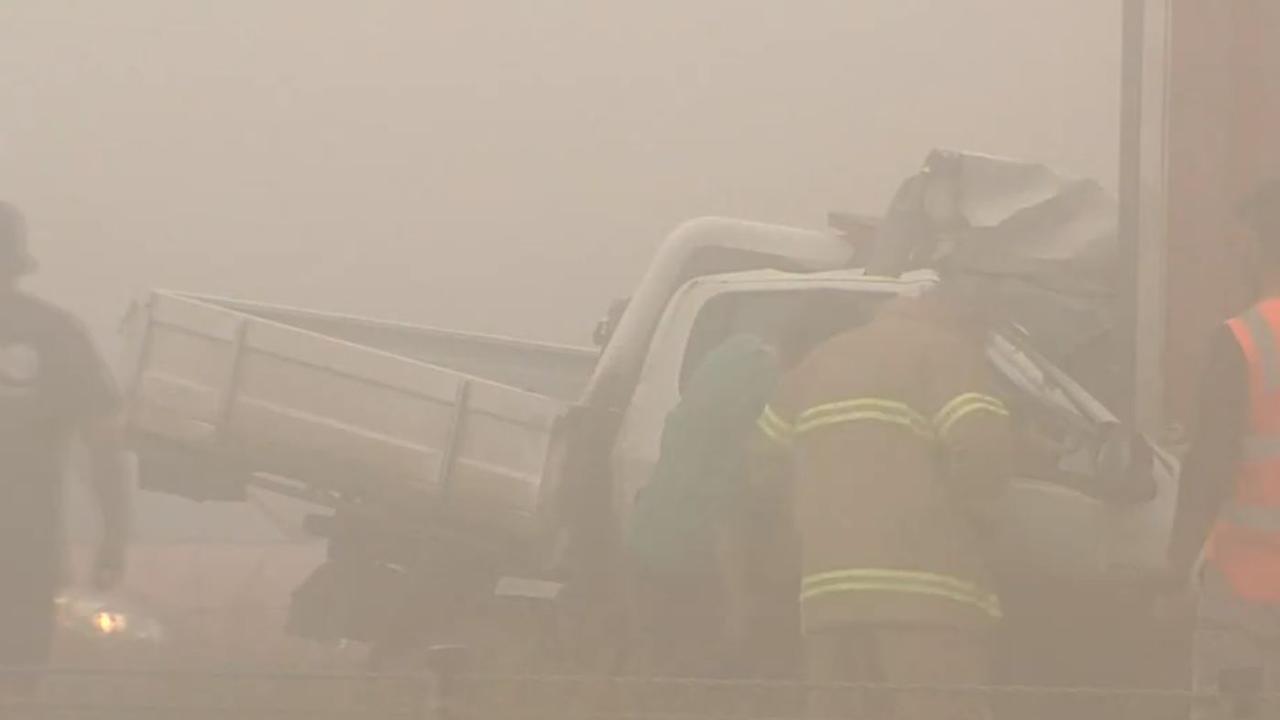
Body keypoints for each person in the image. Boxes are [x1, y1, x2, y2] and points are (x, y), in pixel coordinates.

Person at [757, 276, 1012, 720]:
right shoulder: (947, 351)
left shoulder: (822, 359)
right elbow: (982, 449)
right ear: (965, 320)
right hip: (926, 594)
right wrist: (980, 520)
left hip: (828, 595)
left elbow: (761, 465)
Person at [1165, 179, 1280, 718]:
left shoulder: (1246, 340)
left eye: (1237, 244)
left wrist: (1173, 572)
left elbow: (1209, 467)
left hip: (1247, 602)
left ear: (1256, 245)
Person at [0, 201, 130, 671]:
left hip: (26, 549)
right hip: (25, 549)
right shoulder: (56, 334)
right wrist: (114, 537)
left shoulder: (57, 335)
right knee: (15, 682)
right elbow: (104, 447)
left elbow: (103, 445)